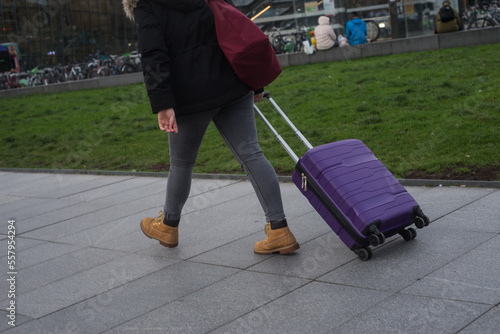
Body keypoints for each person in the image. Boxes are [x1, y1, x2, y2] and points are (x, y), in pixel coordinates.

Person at [122, 0, 300, 255]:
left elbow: (153, 54)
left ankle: (168, 225)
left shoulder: (146, 5)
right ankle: (279, 229)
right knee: (252, 153)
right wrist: (255, 82)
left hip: (191, 97)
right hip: (232, 84)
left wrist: (163, 103)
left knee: (182, 163)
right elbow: (236, 31)